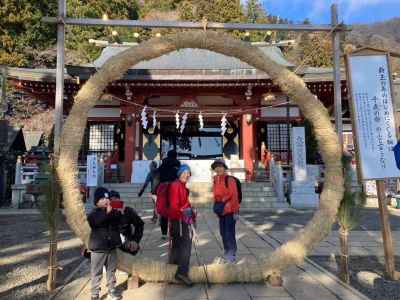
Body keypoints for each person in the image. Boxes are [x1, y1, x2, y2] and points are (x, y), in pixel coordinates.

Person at [87, 187, 122, 300]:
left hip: (111, 247)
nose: (106, 200)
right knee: (96, 272)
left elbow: (119, 222)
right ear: (97, 201)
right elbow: (96, 222)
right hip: (98, 249)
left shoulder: (111, 212)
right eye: (102, 198)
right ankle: (95, 293)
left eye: (107, 198)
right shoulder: (94, 213)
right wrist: (107, 213)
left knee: (111, 271)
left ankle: (112, 290)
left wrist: (119, 212)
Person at [168, 164, 195, 286]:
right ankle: (181, 273)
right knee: (186, 245)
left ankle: (170, 271)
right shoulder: (175, 185)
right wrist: (186, 211)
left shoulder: (183, 186)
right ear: (179, 173)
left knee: (177, 245)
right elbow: (174, 206)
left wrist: (191, 210)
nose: (187, 175)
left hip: (180, 219)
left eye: (188, 173)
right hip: (179, 220)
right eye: (185, 172)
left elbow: (185, 203)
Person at [211, 159, 240, 263]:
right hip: (221, 210)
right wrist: (216, 207)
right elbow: (215, 195)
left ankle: (231, 253)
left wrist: (236, 211)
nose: (218, 168)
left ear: (224, 167)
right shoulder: (215, 179)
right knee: (223, 233)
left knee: (229, 232)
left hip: (230, 209)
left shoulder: (230, 180)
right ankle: (227, 251)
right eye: (216, 166)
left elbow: (234, 195)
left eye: (220, 166)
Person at [109, 190, 144, 255]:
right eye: (111, 200)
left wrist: (135, 240)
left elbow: (139, 224)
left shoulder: (127, 211)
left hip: (126, 242)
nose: (114, 202)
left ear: (119, 200)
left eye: (116, 200)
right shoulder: (105, 213)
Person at [157, 150, 181, 239]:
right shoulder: (177, 163)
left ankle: (164, 233)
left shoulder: (163, 164)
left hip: (163, 188)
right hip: (173, 188)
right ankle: (174, 233)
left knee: (164, 211)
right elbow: (180, 176)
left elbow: (158, 174)